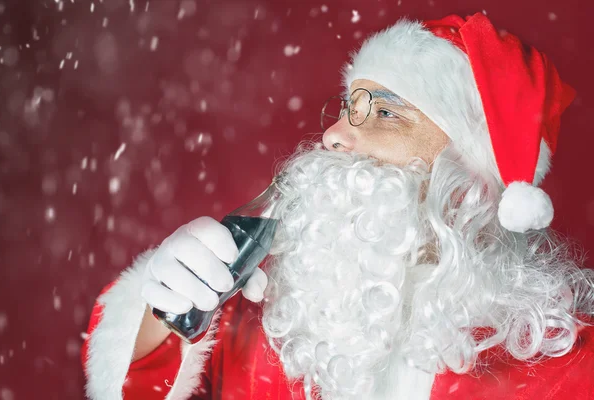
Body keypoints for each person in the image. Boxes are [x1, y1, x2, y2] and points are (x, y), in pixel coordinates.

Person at [81, 12, 594, 400]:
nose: (333, 135)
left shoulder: (570, 369)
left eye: (385, 113)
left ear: (471, 175)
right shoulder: (266, 321)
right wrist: (160, 306)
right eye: (349, 109)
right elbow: (138, 383)